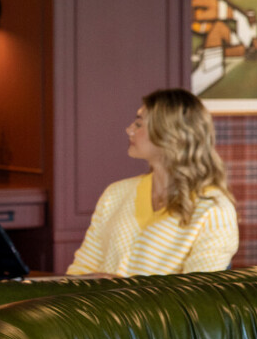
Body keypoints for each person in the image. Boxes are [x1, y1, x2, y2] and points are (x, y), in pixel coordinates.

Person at [67, 88, 239, 277]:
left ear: (170, 134)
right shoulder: (115, 193)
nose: (129, 129)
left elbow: (197, 296)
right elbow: (80, 271)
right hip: (96, 307)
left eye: (139, 124)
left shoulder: (214, 210)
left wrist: (121, 289)